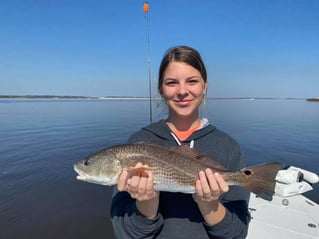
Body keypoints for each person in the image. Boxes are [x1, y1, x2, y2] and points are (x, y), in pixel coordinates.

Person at [111, 46, 250, 238]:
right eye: (171, 83)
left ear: (205, 86)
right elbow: (125, 233)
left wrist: (209, 203)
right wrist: (146, 203)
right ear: (160, 88)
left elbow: (237, 234)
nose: (182, 91)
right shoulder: (137, 145)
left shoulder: (228, 147)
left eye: (192, 81)